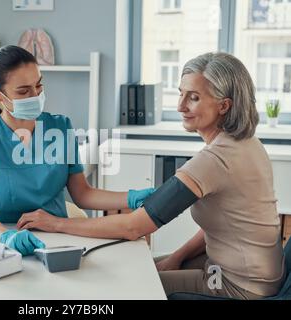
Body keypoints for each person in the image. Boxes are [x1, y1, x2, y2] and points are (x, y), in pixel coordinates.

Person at [17, 52, 286, 300]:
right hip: (253, 274)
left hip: (239, 287)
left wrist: (55, 224)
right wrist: (177, 257)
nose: (181, 106)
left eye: (193, 97)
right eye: (180, 94)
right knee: (142, 265)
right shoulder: (247, 143)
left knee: (124, 286)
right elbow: (224, 224)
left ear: (224, 106)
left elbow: (133, 227)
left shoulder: (214, 161)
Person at [0, 45, 154, 257]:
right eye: (23, 91)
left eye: (38, 85)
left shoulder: (60, 127)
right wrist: (6, 236)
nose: (35, 95)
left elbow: (83, 194)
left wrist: (131, 197)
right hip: (2, 240)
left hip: (57, 236)